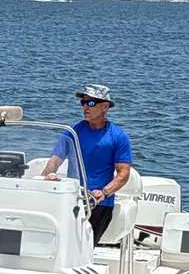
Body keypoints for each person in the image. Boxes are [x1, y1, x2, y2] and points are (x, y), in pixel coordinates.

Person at [42, 84, 132, 244]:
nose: (85, 107)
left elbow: (123, 174)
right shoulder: (72, 132)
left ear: (105, 107)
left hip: (99, 203)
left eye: (91, 103)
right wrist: (49, 175)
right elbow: (55, 160)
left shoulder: (118, 136)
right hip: (71, 199)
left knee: (83, 249)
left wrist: (104, 192)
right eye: (83, 103)